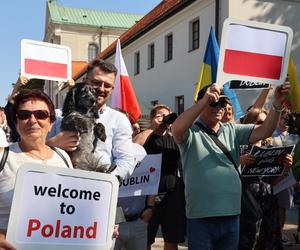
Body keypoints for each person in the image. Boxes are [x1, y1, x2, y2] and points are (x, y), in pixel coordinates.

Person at [172, 81, 290, 250]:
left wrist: (277, 104)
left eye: (223, 103)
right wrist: (205, 100)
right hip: (201, 218)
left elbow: (264, 131)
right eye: (214, 102)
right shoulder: (191, 132)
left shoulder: (232, 129)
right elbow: (176, 129)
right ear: (202, 102)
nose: (219, 107)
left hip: (232, 215)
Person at [0, 89, 73, 238]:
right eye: (24, 115)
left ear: (51, 123)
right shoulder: (3, 157)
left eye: (41, 114)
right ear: (16, 122)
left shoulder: (63, 157)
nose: (32, 120)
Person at [48, 59, 135, 180]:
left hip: (97, 189)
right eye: (96, 82)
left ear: (112, 89)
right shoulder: (56, 116)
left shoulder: (119, 119)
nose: (101, 89)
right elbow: (34, 151)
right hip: (59, 185)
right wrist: (51, 143)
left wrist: (107, 181)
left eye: (107, 85)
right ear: (84, 82)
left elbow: (126, 159)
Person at [134, 104, 186, 250]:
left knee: (172, 238)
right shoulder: (147, 136)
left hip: (172, 195)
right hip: (148, 196)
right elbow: (134, 145)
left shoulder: (174, 137)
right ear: (153, 118)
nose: (164, 119)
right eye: (160, 116)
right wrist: (152, 127)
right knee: (146, 239)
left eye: (166, 116)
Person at [272, 108, 299, 244]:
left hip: (287, 177)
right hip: (272, 177)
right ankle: (269, 234)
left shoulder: (294, 136)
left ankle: (280, 233)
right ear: (278, 118)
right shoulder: (271, 134)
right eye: (283, 118)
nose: (285, 121)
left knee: (282, 206)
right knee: (271, 206)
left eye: (288, 119)